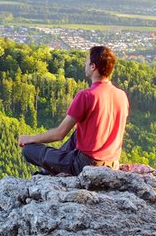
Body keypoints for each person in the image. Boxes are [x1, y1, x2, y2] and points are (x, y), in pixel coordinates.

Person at [17, 45, 129, 176]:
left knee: (28, 150)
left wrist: (29, 138)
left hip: (86, 164)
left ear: (93, 67)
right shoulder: (121, 95)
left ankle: (51, 168)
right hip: (112, 163)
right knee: (78, 133)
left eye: (86, 62)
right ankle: (52, 167)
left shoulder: (86, 95)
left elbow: (59, 134)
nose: (84, 65)